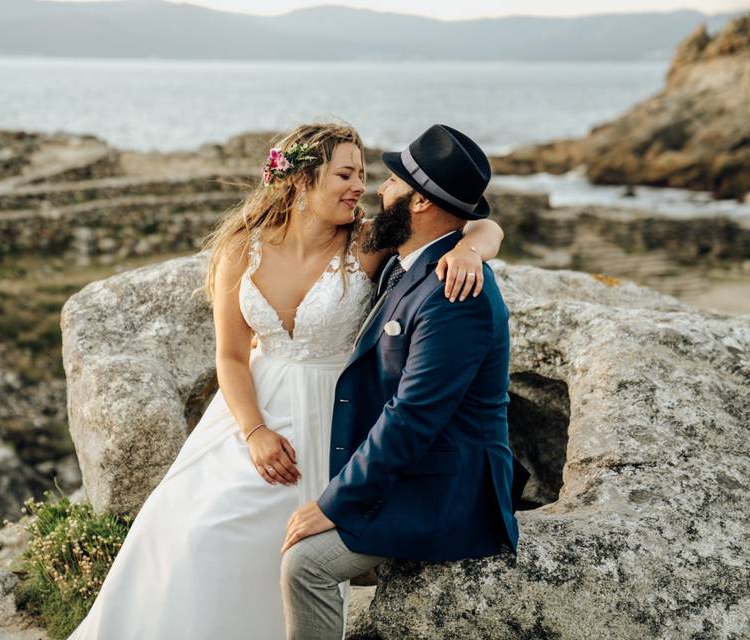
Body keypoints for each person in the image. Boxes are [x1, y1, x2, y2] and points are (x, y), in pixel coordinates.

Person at [66, 122, 507, 639]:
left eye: (364, 176)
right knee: (187, 529)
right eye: (346, 174)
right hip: (253, 412)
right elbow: (230, 356)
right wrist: (254, 432)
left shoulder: (367, 244)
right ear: (300, 179)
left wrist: (471, 247)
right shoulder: (240, 249)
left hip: (329, 417)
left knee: (277, 547)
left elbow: (470, 226)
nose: (359, 188)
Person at [279, 124, 524, 640]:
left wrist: (334, 504)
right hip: (418, 471)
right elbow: (484, 228)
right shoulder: (410, 261)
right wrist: (473, 241)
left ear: (416, 203)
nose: (379, 191)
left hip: (446, 491)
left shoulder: (457, 293)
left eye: (391, 183)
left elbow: (413, 417)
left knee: (306, 565)